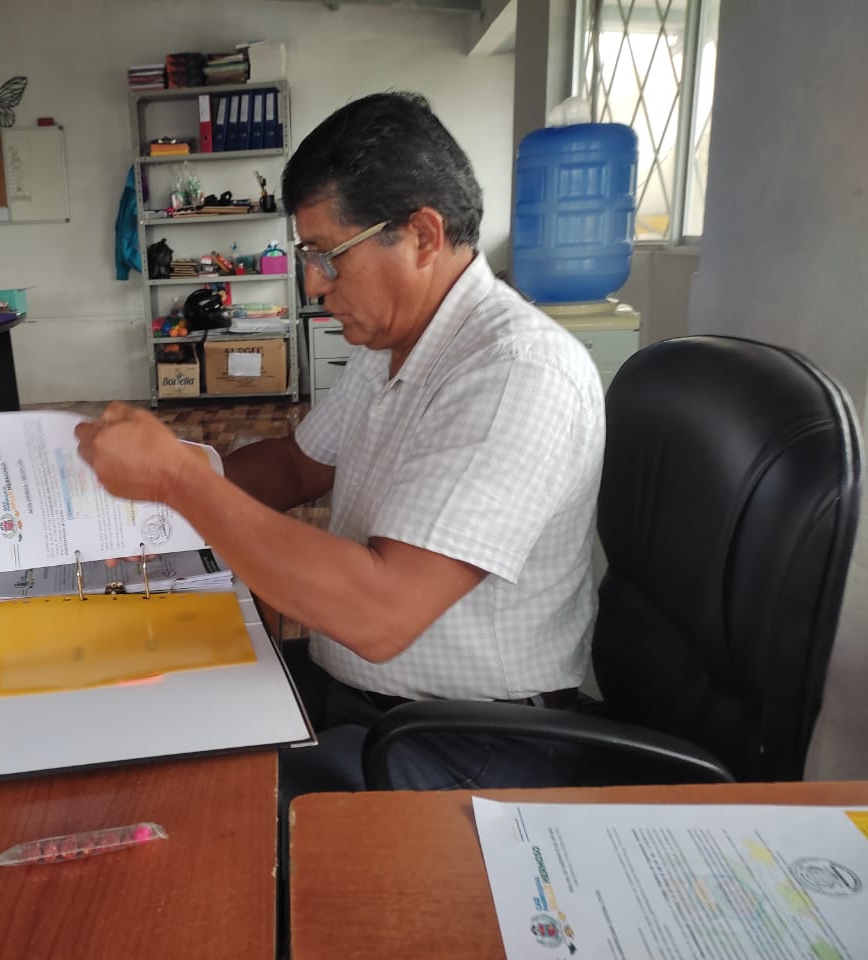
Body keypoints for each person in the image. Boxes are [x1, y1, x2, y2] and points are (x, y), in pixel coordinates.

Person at [75, 92, 605, 800]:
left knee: (196, 804)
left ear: (422, 235)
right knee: (145, 710)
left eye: (328, 254)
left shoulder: (515, 372)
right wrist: (136, 509)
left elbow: (381, 614)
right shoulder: (393, 343)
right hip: (364, 694)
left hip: (468, 739)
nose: (313, 282)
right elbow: (296, 465)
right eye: (306, 254)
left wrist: (177, 481)